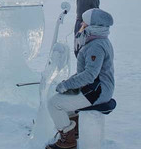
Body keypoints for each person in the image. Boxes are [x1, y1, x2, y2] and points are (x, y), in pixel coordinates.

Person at [46, 8, 114, 149]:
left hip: (98, 91)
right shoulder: (98, 40)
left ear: (93, 25)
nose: (81, 23)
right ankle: (74, 130)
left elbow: (89, 75)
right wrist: (69, 85)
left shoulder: (96, 45)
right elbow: (86, 73)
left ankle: (68, 141)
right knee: (63, 97)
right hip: (96, 87)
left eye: (85, 21)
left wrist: (67, 85)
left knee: (54, 103)